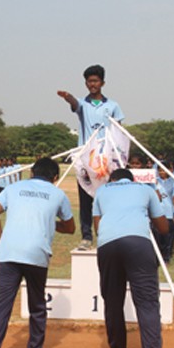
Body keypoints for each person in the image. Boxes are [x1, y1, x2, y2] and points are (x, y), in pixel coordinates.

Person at [0, 157, 75, 348]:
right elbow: (70, 228)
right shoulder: (58, 193)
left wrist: (1, 241)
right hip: (36, 254)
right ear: (55, 177)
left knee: (0, 307)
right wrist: (51, 222)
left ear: (31, 173)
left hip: (8, 253)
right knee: (37, 305)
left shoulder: (13, 187)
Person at [92, 168, 169, 348]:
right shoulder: (145, 189)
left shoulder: (101, 191)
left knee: (113, 301)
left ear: (112, 180)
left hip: (107, 245)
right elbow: (163, 228)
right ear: (131, 179)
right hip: (138, 244)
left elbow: (98, 226)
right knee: (147, 304)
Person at [58, 64, 124, 250]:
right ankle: (86, 237)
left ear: (102, 82)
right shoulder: (83, 104)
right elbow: (74, 104)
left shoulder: (112, 106)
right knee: (86, 198)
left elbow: (119, 130)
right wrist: (68, 97)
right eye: (89, 81)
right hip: (86, 158)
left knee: (109, 197)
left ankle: (109, 233)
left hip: (106, 158)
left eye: (95, 81)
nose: (92, 84)